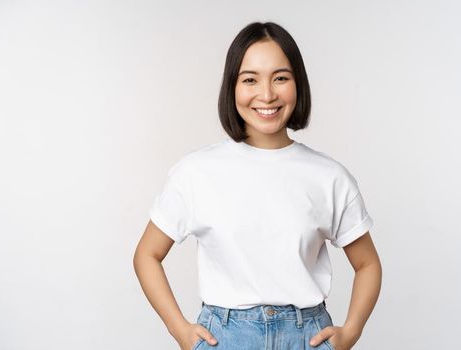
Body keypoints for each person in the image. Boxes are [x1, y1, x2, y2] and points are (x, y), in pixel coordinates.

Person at [132, 22, 382, 350]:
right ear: (232, 87)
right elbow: (146, 255)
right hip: (225, 336)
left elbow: (368, 264)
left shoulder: (329, 177)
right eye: (250, 79)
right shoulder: (196, 172)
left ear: (298, 84)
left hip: (306, 336)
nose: (267, 94)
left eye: (281, 78)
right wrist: (180, 330)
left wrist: (351, 331)